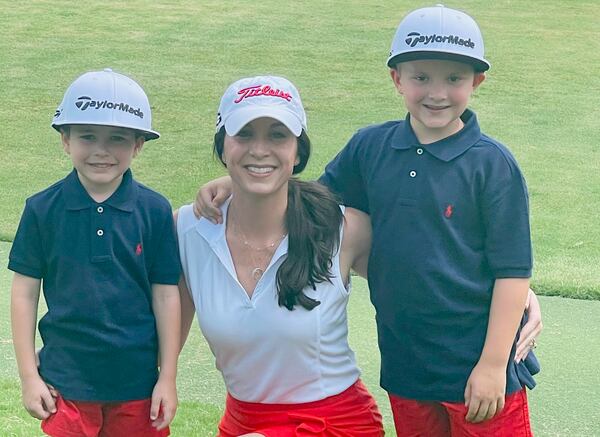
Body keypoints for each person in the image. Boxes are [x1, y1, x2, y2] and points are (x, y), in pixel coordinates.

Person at [195, 5, 543, 436]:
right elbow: (309, 202)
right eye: (421, 77)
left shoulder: (492, 165)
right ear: (397, 79)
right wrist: (238, 182)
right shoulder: (370, 148)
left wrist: (493, 363)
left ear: (477, 81)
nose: (437, 92)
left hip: (480, 369)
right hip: (407, 368)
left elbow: (512, 269)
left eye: (454, 78)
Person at [177, 75, 384, 436]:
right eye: (244, 135)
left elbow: (423, 273)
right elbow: (152, 338)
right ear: (222, 147)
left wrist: (512, 295)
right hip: (242, 424)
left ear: (297, 151)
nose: (260, 149)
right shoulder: (186, 231)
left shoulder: (343, 229)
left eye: (277, 135)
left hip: (336, 424)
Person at [9, 69, 181, 437]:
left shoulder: (154, 210)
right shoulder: (42, 209)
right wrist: (27, 376)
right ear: (66, 140)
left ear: (138, 145)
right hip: (66, 382)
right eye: (88, 136)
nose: (101, 150)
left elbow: (166, 295)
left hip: (138, 383)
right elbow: (24, 293)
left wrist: (168, 377)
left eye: (117, 138)